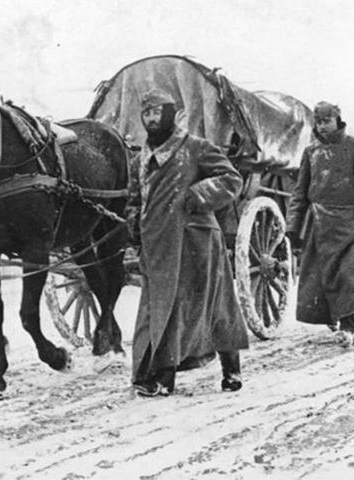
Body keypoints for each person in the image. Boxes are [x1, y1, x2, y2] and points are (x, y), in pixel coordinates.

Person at [127, 88, 249, 397]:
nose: (151, 119)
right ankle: (160, 378)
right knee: (161, 310)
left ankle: (231, 370)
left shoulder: (196, 147)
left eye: (157, 113)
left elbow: (231, 179)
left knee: (216, 304)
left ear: (169, 114)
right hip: (157, 246)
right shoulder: (140, 159)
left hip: (196, 242)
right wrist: (133, 223)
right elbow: (134, 199)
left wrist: (198, 196)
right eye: (146, 114)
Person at [286, 101, 354, 347]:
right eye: (318, 122)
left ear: (338, 120)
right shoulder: (310, 153)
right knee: (321, 278)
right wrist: (293, 226)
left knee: (349, 276)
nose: (322, 126)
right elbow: (300, 193)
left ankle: (349, 326)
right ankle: (336, 319)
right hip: (320, 225)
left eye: (327, 121)